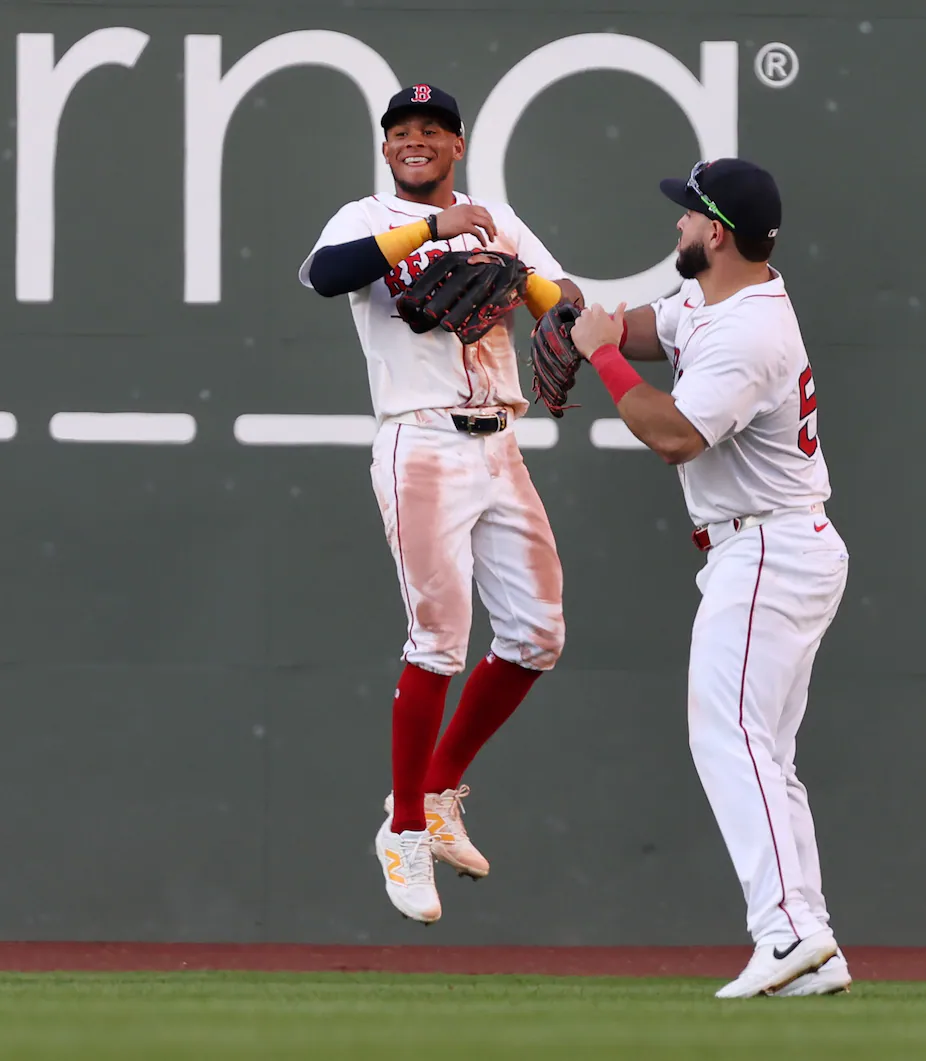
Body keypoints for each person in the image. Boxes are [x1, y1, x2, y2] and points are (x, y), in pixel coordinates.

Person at [297, 84, 584, 924]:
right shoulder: (364, 217)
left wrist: (528, 284)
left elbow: (562, 302)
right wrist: (429, 231)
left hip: (500, 442)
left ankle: (434, 789)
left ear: (457, 144)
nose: (413, 140)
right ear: (386, 147)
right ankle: (405, 832)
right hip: (420, 440)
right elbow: (326, 276)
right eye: (400, 130)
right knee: (438, 642)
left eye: (431, 129)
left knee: (537, 634)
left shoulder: (497, 219)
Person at [567, 159, 851, 998]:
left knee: (727, 736)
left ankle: (787, 930)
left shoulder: (748, 332)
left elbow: (674, 435)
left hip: (768, 547)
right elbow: (640, 327)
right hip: (772, 546)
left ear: (717, 233)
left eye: (689, 215)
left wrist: (601, 359)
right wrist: (565, 309)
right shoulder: (716, 298)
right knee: (766, 754)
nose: (678, 224)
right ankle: (811, 940)